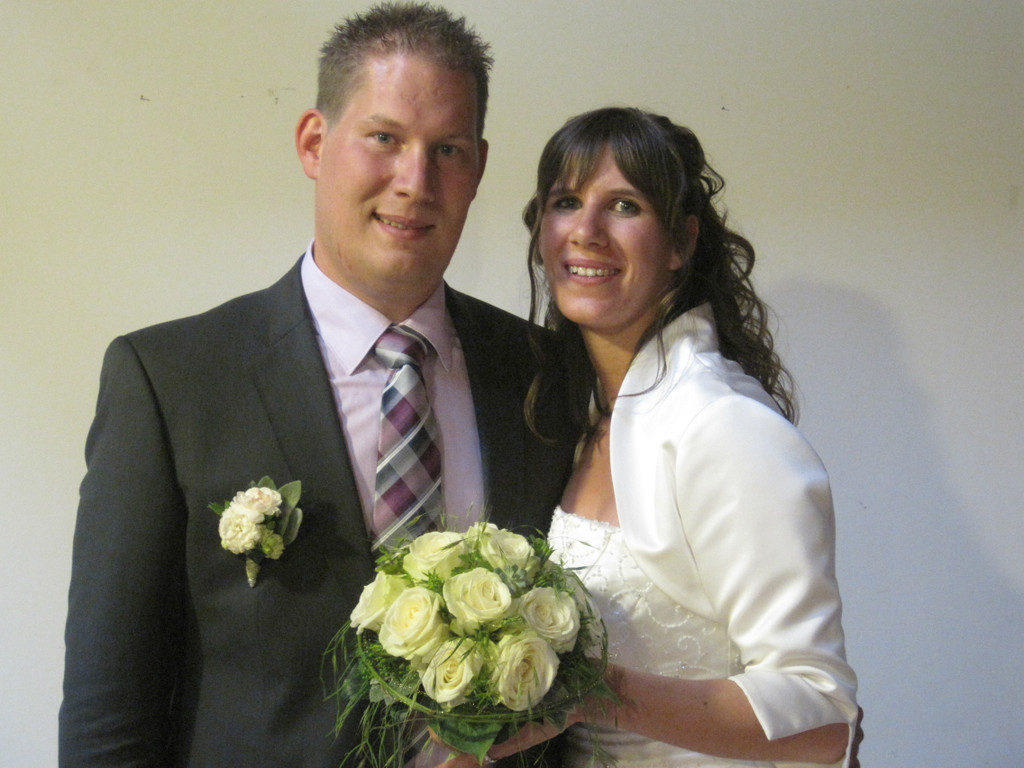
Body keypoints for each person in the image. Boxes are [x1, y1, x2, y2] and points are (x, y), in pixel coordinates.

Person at [58, 4, 575, 767]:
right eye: (385, 138)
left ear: (478, 167)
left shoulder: (541, 375)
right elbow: (108, 714)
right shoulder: (172, 380)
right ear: (313, 142)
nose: (415, 181)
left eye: (448, 150)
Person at [451, 106, 861, 767]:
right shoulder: (581, 418)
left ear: (680, 242)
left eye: (624, 206)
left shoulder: (725, 426)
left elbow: (824, 718)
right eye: (566, 201)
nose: (586, 231)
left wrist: (595, 693)